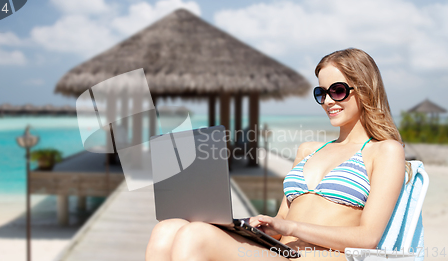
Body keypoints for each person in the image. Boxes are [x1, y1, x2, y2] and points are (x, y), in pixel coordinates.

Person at [145, 48, 412, 260]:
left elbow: (368, 238)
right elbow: (284, 219)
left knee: (195, 236)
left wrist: (291, 229)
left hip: (315, 258)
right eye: (321, 93)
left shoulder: (384, 151)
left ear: (364, 90)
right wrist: (265, 226)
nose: (328, 101)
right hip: (280, 251)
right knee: (166, 229)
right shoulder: (309, 150)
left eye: (338, 90)